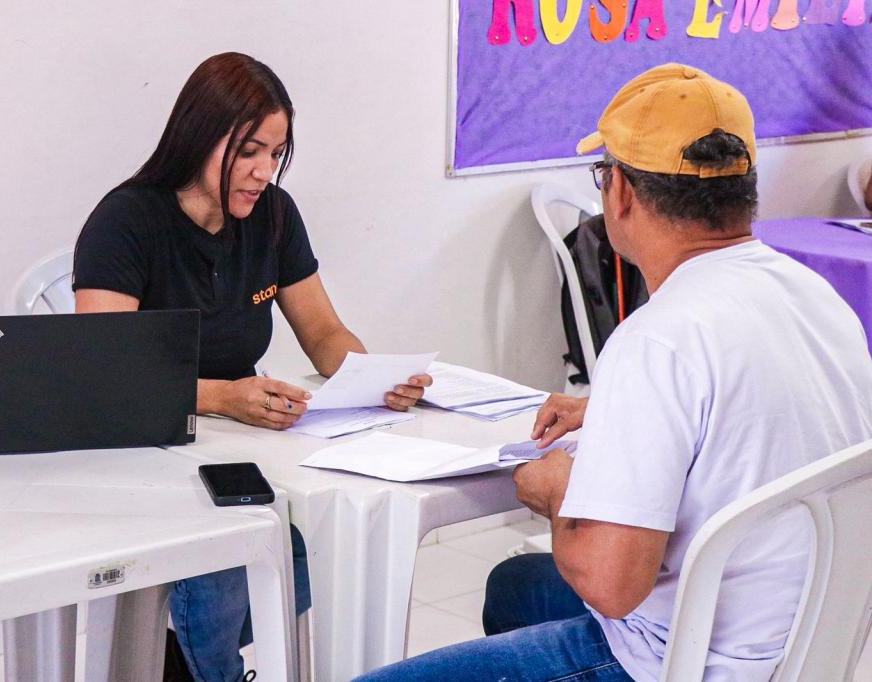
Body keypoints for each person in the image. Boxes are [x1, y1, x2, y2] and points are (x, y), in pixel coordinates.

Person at [355, 64, 872, 682]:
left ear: (620, 191)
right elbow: (753, 413)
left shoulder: (658, 338)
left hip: (688, 661)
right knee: (517, 586)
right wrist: (615, 411)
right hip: (816, 643)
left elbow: (610, 585)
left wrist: (556, 493)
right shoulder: (814, 294)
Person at [72, 52, 431, 681]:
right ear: (199, 137)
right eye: (249, 152)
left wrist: (374, 379)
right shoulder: (125, 221)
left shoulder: (273, 215)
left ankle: (185, 663)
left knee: (304, 555)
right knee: (224, 566)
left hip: (233, 448)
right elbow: (104, 376)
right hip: (137, 449)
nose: (264, 171)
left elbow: (322, 331)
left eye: (277, 152)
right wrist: (221, 397)